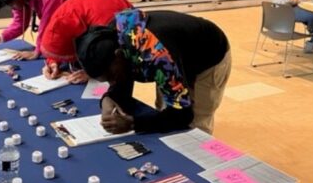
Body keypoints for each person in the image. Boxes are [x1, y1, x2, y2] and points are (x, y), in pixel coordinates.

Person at [75, 8, 231, 135]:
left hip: (208, 57)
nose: (112, 81)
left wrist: (134, 124)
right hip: (173, 54)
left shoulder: (157, 56)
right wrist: (109, 99)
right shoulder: (110, 38)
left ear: (118, 55)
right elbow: (122, 76)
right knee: (164, 108)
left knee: (195, 122)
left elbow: (183, 115)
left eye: (111, 77)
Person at [41, 0, 132, 83]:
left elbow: (113, 54)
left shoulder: (105, 26)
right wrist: (53, 62)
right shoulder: (64, 16)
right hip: (99, 14)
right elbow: (58, 34)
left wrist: (91, 73)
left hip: (120, 22)